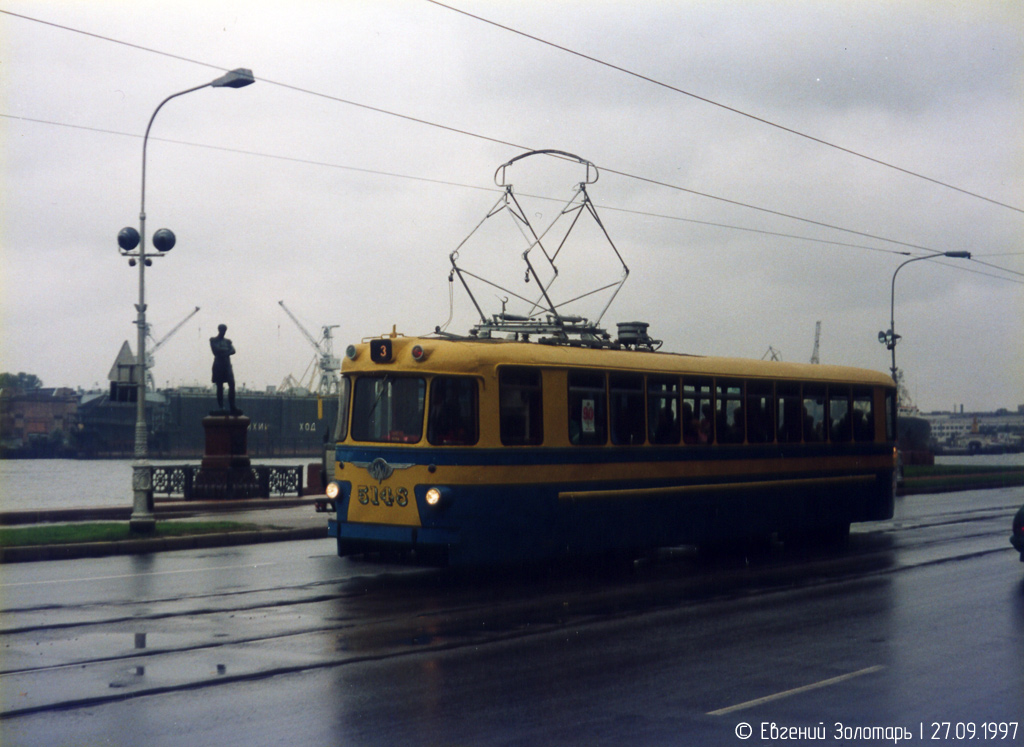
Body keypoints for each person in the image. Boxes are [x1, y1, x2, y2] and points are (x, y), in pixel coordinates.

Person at [210, 324, 239, 415]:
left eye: (225, 330)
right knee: (219, 386)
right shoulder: (213, 340)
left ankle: (232, 406)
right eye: (222, 330)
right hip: (218, 365)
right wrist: (227, 351)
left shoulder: (228, 341)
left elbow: (233, 350)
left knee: (232, 384)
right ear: (219, 330)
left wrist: (223, 351)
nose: (223, 332)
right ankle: (221, 407)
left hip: (227, 365)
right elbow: (215, 350)